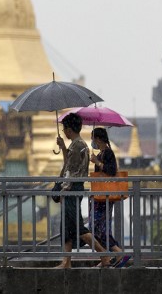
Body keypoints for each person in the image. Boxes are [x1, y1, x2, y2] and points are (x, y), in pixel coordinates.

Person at [54, 113, 108, 268]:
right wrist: (63, 147)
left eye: (64, 128)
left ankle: (104, 256)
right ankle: (66, 261)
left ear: (69, 129)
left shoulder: (78, 145)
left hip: (72, 188)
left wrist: (63, 190)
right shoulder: (77, 144)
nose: (63, 131)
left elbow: (69, 171)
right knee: (66, 227)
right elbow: (70, 164)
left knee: (78, 227)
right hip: (73, 187)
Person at [90, 127, 130, 267]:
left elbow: (111, 170)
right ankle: (106, 258)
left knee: (97, 227)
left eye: (93, 138)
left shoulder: (108, 153)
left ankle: (118, 253)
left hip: (105, 197)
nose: (92, 142)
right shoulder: (101, 153)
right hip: (99, 196)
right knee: (98, 228)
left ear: (98, 139)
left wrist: (97, 162)